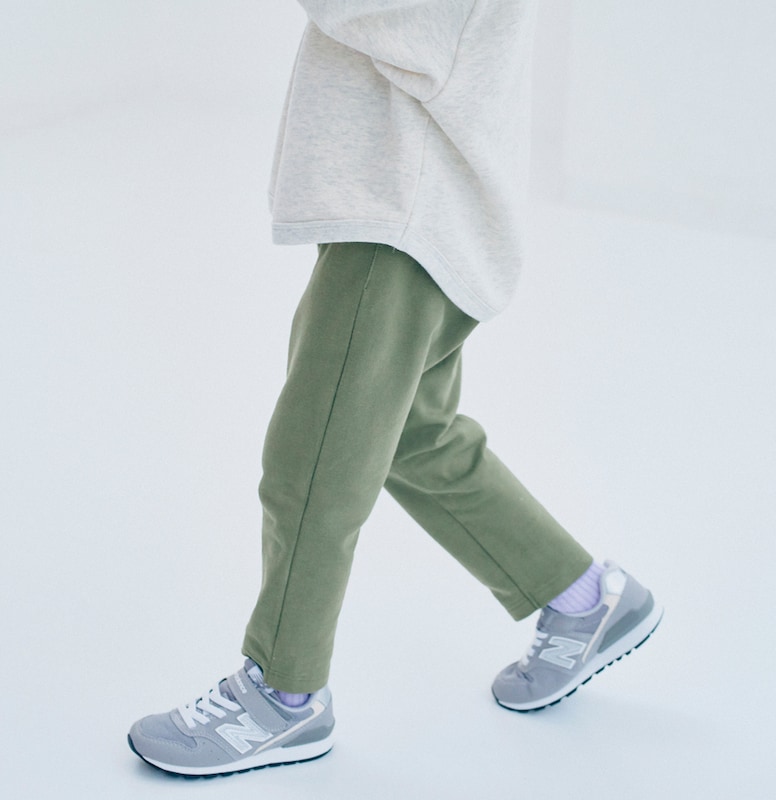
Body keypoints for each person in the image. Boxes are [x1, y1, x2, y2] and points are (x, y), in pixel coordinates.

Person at [128, 1, 662, 778]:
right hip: (416, 204)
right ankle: (583, 599)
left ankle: (282, 695)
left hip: (403, 213)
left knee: (315, 459)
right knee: (415, 436)